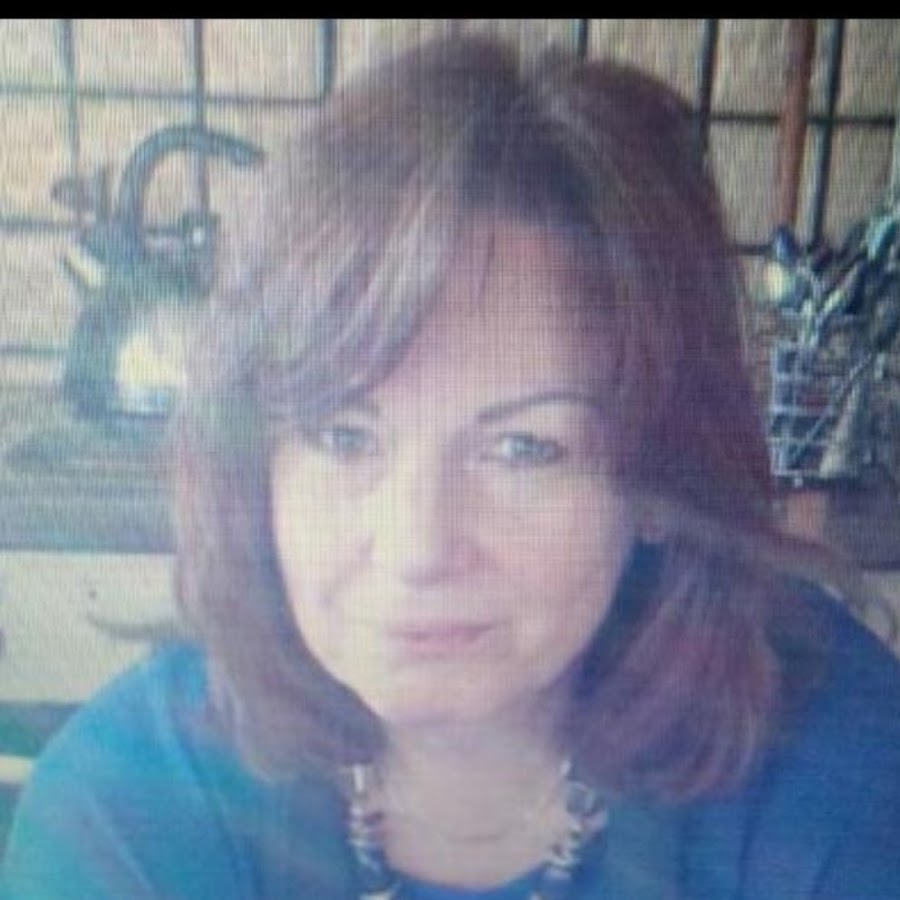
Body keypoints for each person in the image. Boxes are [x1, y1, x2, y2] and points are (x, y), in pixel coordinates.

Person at [4, 36, 900, 900]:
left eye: (523, 449)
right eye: (343, 436)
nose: (416, 550)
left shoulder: (839, 766)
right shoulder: (128, 807)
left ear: (661, 483)